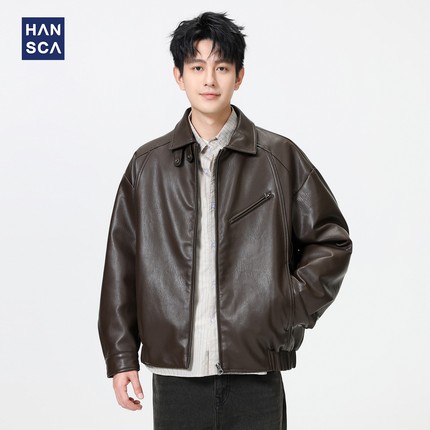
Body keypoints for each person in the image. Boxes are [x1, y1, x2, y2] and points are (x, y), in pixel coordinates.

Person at [98, 11, 352, 430]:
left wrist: (284, 305)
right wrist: (121, 356)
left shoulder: (278, 158)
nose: (209, 80)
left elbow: (331, 240)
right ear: (179, 76)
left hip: (255, 370)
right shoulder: (147, 166)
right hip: (176, 376)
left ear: (239, 76)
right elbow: (121, 265)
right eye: (197, 67)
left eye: (221, 67)